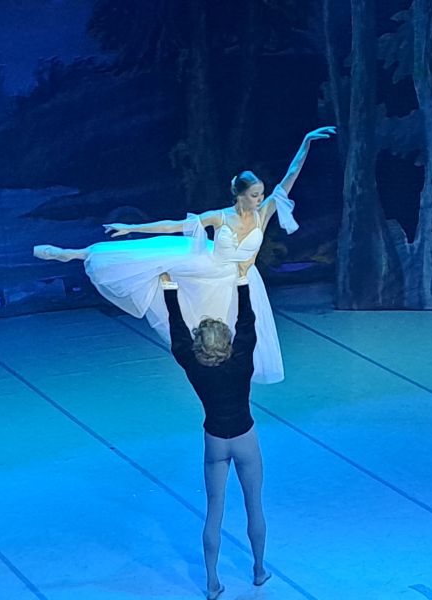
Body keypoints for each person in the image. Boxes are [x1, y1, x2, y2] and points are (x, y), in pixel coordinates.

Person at [33, 126, 336, 384]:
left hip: (241, 279)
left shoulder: (264, 213)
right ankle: (73, 253)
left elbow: (290, 176)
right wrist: (132, 227)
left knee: (238, 331)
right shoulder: (221, 216)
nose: (260, 199)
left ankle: (225, 376)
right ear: (240, 195)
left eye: (261, 194)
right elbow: (173, 225)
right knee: (149, 256)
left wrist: (306, 141)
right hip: (210, 266)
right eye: (255, 195)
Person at [160, 266, 270, 600]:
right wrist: (242, 281)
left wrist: (169, 290)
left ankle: (211, 582)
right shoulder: (241, 361)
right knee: (254, 505)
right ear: (227, 342)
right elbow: (247, 323)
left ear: (200, 346)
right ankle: (258, 569)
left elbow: (177, 331)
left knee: (214, 509)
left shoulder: (193, 365)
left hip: (215, 441)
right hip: (244, 436)